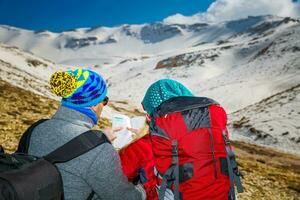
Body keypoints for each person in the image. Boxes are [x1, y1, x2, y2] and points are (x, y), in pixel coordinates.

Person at [28, 68, 146, 200]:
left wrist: (95, 139)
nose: (103, 105)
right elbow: (127, 198)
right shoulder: (99, 150)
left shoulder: (35, 129)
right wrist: (142, 186)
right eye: (104, 100)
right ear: (94, 105)